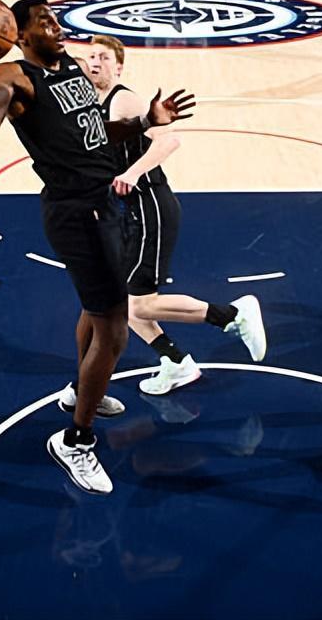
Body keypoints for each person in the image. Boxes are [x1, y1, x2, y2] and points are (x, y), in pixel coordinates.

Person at [0, 0, 195, 494]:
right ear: (18, 34)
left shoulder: (73, 68)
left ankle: (82, 391)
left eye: (56, 19)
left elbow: (96, 133)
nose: (57, 26)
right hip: (76, 213)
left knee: (94, 312)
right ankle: (76, 440)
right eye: (45, 22)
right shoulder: (11, 77)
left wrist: (146, 120)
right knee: (115, 332)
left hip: (104, 203)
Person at [83, 34, 266, 397]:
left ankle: (233, 315)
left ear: (118, 67)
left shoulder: (124, 99)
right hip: (131, 211)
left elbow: (169, 140)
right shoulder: (95, 106)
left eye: (103, 57)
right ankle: (176, 362)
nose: (95, 63)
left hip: (150, 203)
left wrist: (132, 172)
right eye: (91, 57)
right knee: (127, 305)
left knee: (142, 303)